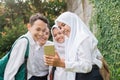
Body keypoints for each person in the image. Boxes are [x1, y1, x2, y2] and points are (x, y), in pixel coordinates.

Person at [44, 11, 103, 80]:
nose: (62, 30)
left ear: (72, 22)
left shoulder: (83, 38)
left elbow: (86, 66)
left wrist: (62, 63)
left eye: (63, 25)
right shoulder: (72, 41)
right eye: (60, 27)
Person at [4, 13, 52, 80]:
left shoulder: (38, 43)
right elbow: (10, 71)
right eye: (38, 29)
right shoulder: (24, 42)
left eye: (43, 31)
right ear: (29, 27)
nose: (41, 34)